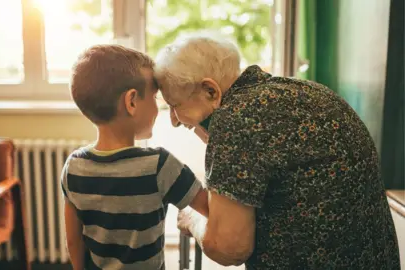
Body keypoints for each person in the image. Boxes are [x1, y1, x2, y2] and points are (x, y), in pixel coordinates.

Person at [154, 33, 401, 269]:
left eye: (175, 105)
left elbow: (228, 248)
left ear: (211, 91)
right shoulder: (307, 91)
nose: (174, 120)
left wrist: (193, 220)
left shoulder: (235, 118)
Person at [61, 45, 208, 269]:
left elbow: (73, 239)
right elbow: (210, 207)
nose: (159, 107)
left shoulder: (74, 167)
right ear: (131, 102)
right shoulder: (159, 165)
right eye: (155, 96)